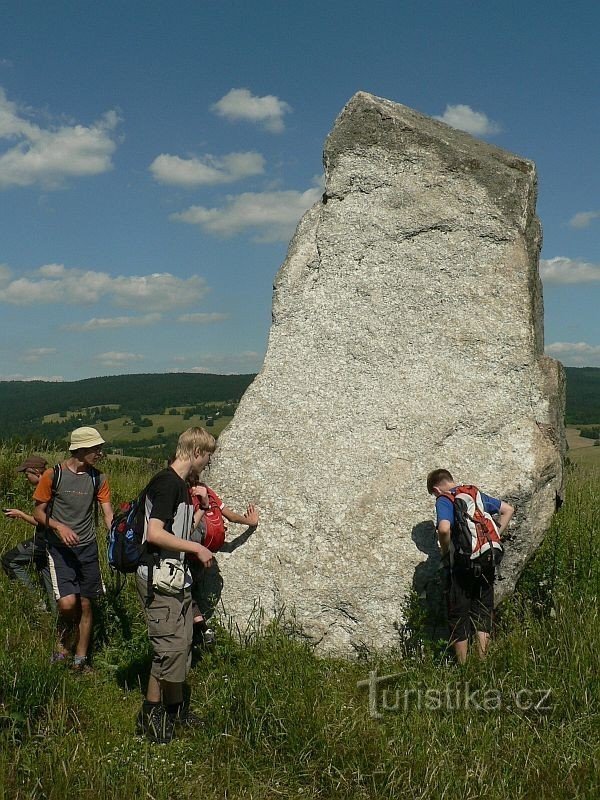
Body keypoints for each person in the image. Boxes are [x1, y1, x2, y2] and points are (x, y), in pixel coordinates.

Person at [135, 427, 216, 744]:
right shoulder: (168, 483)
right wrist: (196, 548)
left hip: (175, 576)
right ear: (196, 451)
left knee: (178, 649)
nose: (207, 464)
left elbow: (178, 532)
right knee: (169, 651)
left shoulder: (181, 487)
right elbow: (154, 534)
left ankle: (174, 711)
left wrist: (201, 511)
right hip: (159, 578)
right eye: (207, 457)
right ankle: (152, 717)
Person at [33, 427, 113, 671]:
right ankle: (64, 642)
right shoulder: (52, 475)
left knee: (87, 604)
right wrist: (59, 527)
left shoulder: (98, 479)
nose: (99, 453)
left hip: (87, 548)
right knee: (68, 605)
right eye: (95, 449)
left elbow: (108, 513)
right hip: (59, 550)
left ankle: (80, 659)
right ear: (80, 449)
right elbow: (38, 512)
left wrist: (116, 536)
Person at [426, 468, 514, 664]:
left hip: (462, 564)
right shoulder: (474, 493)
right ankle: (482, 662)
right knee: (483, 608)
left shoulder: (445, 499)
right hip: (487, 559)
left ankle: (464, 667)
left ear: (436, 489)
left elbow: (444, 528)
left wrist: (445, 551)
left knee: (458, 613)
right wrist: (495, 536)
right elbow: (508, 509)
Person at [188, 466, 259, 646]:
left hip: (191, 549)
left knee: (183, 592)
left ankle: (201, 630)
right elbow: (231, 516)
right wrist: (250, 522)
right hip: (208, 549)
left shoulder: (183, 493)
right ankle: (201, 632)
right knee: (191, 589)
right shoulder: (206, 490)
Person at [1, 455, 56, 612]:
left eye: (27, 475)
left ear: (36, 472)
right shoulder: (53, 486)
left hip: (44, 541)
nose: (26, 479)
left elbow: (45, 521)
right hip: (50, 542)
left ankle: (36, 604)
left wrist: (21, 514)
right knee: (46, 573)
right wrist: (21, 514)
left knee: (9, 559)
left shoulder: (47, 490)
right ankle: (54, 616)